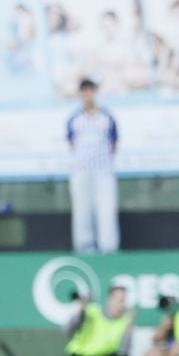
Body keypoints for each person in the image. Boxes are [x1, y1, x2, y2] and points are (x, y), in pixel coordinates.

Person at [66, 78, 120, 255]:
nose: (88, 95)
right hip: (81, 170)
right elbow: (71, 143)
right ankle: (84, 247)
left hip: (103, 170)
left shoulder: (106, 117)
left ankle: (108, 248)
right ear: (80, 94)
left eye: (91, 90)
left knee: (106, 209)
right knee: (82, 210)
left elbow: (113, 143)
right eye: (84, 91)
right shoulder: (75, 118)